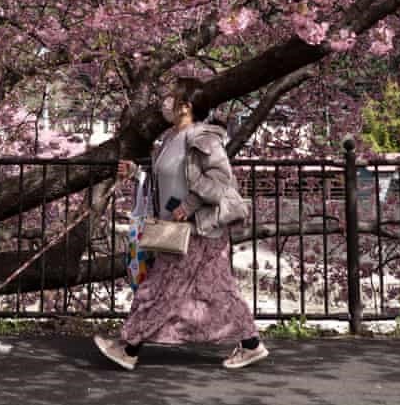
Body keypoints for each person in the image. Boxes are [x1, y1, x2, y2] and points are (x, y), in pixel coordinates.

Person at [94, 78, 269, 370]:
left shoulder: (204, 138)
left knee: (159, 286)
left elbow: (221, 179)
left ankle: (128, 348)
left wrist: (188, 206)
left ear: (186, 106)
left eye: (171, 97)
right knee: (217, 289)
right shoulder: (170, 139)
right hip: (180, 229)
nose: (165, 101)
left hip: (198, 229)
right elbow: (169, 179)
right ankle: (252, 344)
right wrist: (137, 170)